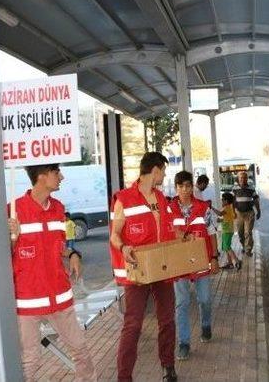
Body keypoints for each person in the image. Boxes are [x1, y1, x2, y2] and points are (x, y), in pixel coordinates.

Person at [7, 164, 96, 382]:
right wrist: (13, 237)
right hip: (28, 302)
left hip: (60, 296)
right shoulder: (13, 210)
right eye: (57, 173)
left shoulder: (59, 208)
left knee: (81, 350)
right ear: (42, 176)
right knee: (30, 360)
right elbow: (1, 257)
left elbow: (59, 246)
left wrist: (73, 254)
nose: (62, 177)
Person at [109, 152, 178, 382]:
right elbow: (114, 235)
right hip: (137, 271)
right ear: (155, 170)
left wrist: (184, 238)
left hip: (162, 269)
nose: (164, 175)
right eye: (163, 171)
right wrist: (124, 248)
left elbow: (169, 229)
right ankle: (124, 376)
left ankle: (168, 366)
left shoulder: (162, 199)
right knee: (133, 325)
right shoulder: (124, 198)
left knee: (167, 320)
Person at [169, 171, 220, 361]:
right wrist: (180, 234)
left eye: (188, 186)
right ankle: (184, 343)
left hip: (201, 262)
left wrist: (214, 257)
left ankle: (206, 325)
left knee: (205, 299)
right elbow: (165, 232)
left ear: (192, 187)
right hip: (179, 265)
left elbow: (212, 232)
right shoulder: (169, 208)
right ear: (176, 188)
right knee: (182, 303)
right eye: (181, 186)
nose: (184, 190)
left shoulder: (202, 208)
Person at [232, 171, 260, 256]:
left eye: (244, 178)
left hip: (249, 213)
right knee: (240, 233)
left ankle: (248, 250)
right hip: (238, 213)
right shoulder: (235, 188)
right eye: (241, 178)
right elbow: (232, 201)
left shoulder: (251, 188)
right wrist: (233, 212)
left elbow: (256, 200)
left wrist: (258, 210)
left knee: (248, 232)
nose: (243, 179)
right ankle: (244, 246)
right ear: (238, 179)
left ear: (247, 179)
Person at [220, 192, 241, 270]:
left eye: (222, 200)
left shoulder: (227, 208)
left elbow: (220, 213)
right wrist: (221, 220)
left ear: (226, 201)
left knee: (227, 247)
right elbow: (227, 217)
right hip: (226, 230)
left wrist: (211, 207)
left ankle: (237, 261)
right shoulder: (229, 207)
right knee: (226, 248)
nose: (221, 201)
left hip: (227, 231)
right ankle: (230, 263)